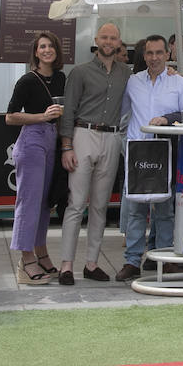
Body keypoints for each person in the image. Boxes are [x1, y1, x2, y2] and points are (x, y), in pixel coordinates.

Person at [116, 34, 183, 281]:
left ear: (167, 54)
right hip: (138, 150)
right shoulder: (133, 82)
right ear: (144, 56)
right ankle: (132, 261)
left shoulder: (179, 83)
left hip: (165, 151)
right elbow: (123, 113)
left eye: (159, 53)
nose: (154, 58)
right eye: (149, 53)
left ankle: (165, 259)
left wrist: (168, 119)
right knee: (136, 211)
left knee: (164, 211)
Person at [58, 22, 129, 286]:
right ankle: (66, 265)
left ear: (119, 42)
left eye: (113, 38)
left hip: (111, 137)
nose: (109, 42)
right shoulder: (80, 72)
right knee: (76, 203)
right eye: (104, 37)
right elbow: (69, 110)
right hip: (83, 134)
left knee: (100, 205)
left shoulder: (126, 73)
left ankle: (91, 263)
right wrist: (67, 146)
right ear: (96, 40)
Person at [5, 33, 66, 285]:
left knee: (44, 203)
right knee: (28, 202)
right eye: (42, 46)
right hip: (32, 139)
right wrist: (41, 116)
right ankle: (25, 259)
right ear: (36, 52)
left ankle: (41, 252)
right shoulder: (27, 81)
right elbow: (9, 116)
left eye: (51, 45)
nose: (47, 50)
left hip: (53, 138)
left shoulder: (61, 78)